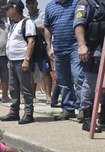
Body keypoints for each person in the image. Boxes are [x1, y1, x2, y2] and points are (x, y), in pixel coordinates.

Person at [44, 0, 85, 121]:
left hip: (75, 48)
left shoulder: (77, 2)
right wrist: (48, 47)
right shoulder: (50, 6)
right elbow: (47, 27)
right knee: (62, 80)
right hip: (58, 49)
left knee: (78, 77)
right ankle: (68, 109)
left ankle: (83, 109)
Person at [0, 0, 35, 124]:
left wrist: (26, 60)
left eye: (8, 9)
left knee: (25, 88)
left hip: (22, 60)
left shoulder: (27, 22)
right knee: (14, 88)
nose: (6, 11)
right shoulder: (13, 24)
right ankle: (14, 112)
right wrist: (9, 59)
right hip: (13, 61)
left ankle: (28, 113)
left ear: (14, 9)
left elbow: (31, 42)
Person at [73, 0, 105, 132]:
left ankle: (103, 118)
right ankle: (87, 120)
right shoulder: (86, 3)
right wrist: (81, 45)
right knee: (91, 85)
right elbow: (79, 23)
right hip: (94, 50)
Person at [25, 0, 53, 104]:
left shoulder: (43, 14)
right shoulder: (25, 16)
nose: (31, 5)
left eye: (33, 3)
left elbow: (45, 25)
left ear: (36, 4)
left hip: (42, 47)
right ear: (26, 6)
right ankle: (32, 96)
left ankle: (48, 96)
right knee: (30, 73)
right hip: (30, 48)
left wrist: (31, 27)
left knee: (45, 72)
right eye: (29, 4)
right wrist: (36, 26)